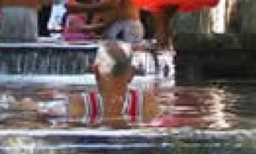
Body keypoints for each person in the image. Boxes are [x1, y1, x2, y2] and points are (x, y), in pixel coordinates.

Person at [20, 41, 159, 126]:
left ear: (95, 71)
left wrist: (25, 103)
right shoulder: (148, 103)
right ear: (132, 73)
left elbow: (41, 112)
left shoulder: (79, 104)